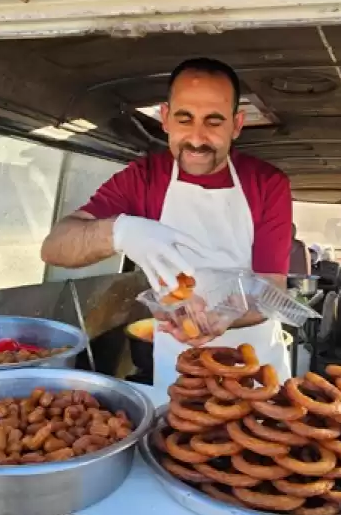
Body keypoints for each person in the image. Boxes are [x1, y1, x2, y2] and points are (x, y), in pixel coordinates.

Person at [41, 57, 293, 390]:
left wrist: (227, 313)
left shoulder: (267, 184)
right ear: (165, 118)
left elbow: (272, 287)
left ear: (237, 124)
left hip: (256, 365)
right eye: (184, 119)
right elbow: (54, 247)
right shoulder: (142, 179)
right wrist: (120, 231)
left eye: (214, 122)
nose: (197, 138)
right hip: (178, 364)